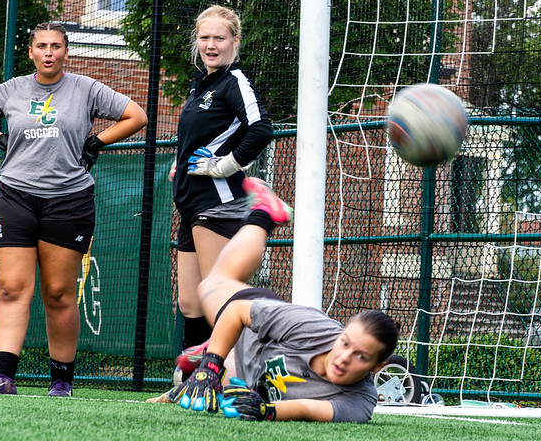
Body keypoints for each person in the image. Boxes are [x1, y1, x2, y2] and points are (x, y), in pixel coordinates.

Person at [0, 22, 148, 396]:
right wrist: (0, 138)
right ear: (31, 52)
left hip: (69, 200)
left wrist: (97, 142)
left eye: (56, 46)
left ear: (66, 52)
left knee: (59, 292)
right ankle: (2, 377)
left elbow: (137, 117)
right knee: (12, 287)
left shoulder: (85, 88)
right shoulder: (12, 89)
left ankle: (61, 382)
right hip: (14, 197)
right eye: (41, 46)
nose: (49, 52)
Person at [171, 177, 399, 423]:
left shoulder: (359, 403)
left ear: (377, 367)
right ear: (341, 333)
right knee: (210, 285)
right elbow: (237, 311)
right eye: (345, 343)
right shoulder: (312, 326)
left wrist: (266, 411)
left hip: (249, 373)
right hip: (249, 328)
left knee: (222, 398)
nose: (344, 358)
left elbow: (308, 410)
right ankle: (265, 213)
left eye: (361, 357)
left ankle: (213, 346)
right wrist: (211, 366)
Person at [172, 5, 273, 377]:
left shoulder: (235, 80)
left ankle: (235, 378)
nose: (211, 45)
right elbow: (203, 136)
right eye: (204, 38)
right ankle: (188, 382)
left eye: (219, 38)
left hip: (218, 202)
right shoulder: (201, 83)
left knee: (220, 299)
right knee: (190, 302)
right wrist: (179, 163)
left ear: (234, 41)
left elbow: (260, 129)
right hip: (188, 203)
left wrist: (225, 164)